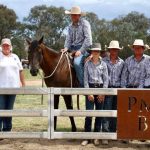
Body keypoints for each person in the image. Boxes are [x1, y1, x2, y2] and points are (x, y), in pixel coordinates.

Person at [81, 43, 109, 146]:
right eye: (94, 51)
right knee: (89, 114)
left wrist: (103, 93)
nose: (96, 53)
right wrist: (89, 92)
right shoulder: (87, 64)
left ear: (100, 52)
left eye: (97, 51)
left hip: (100, 88)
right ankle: (87, 137)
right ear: (91, 52)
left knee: (99, 114)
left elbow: (106, 80)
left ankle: (96, 136)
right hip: (90, 88)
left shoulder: (104, 64)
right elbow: (85, 80)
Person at [61, 6, 92, 87]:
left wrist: (80, 51)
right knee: (60, 60)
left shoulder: (85, 24)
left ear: (79, 15)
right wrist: (66, 48)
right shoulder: (70, 26)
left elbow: (88, 40)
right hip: (72, 49)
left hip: (83, 49)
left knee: (77, 63)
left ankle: (83, 85)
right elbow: (68, 40)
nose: (73, 16)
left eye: (75, 15)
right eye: (72, 15)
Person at [0, 38, 25, 132]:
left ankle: (7, 129)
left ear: (10, 47)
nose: (6, 47)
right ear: (1, 47)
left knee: (9, 110)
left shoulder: (15, 56)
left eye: (7, 45)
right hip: (1, 88)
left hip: (13, 88)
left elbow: (21, 71)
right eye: (4, 45)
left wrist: (23, 84)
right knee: (1, 109)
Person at [102, 40, 124, 145]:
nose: (114, 51)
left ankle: (112, 132)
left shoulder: (122, 62)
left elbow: (123, 77)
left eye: (115, 49)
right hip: (108, 88)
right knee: (106, 111)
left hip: (118, 89)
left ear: (118, 50)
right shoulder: (104, 61)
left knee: (115, 112)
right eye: (112, 49)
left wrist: (122, 91)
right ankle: (106, 135)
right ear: (109, 50)